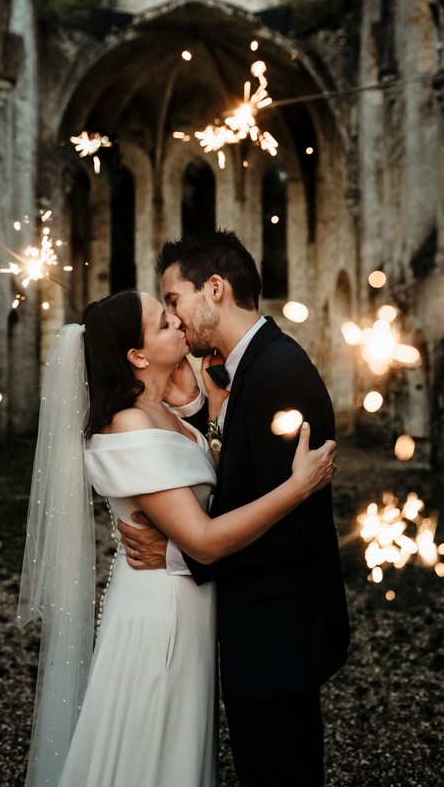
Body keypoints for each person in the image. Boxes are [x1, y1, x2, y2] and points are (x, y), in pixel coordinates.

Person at [17, 288, 337, 787]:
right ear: (136, 355)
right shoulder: (126, 425)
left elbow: (202, 473)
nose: (176, 321)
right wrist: (298, 487)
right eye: (161, 322)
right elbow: (204, 540)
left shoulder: (165, 414)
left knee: (181, 745)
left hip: (187, 603)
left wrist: (194, 409)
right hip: (158, 613)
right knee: (153, 749)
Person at [118, 230, 351, 787]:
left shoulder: (277, 375)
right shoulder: (253, 367)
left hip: (278, 635)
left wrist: (181, 554)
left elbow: (298, 531)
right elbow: (247, 483)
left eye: (174, 300)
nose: (173, 317)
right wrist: (203, 416)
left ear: (214, 289)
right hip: (267, 630)